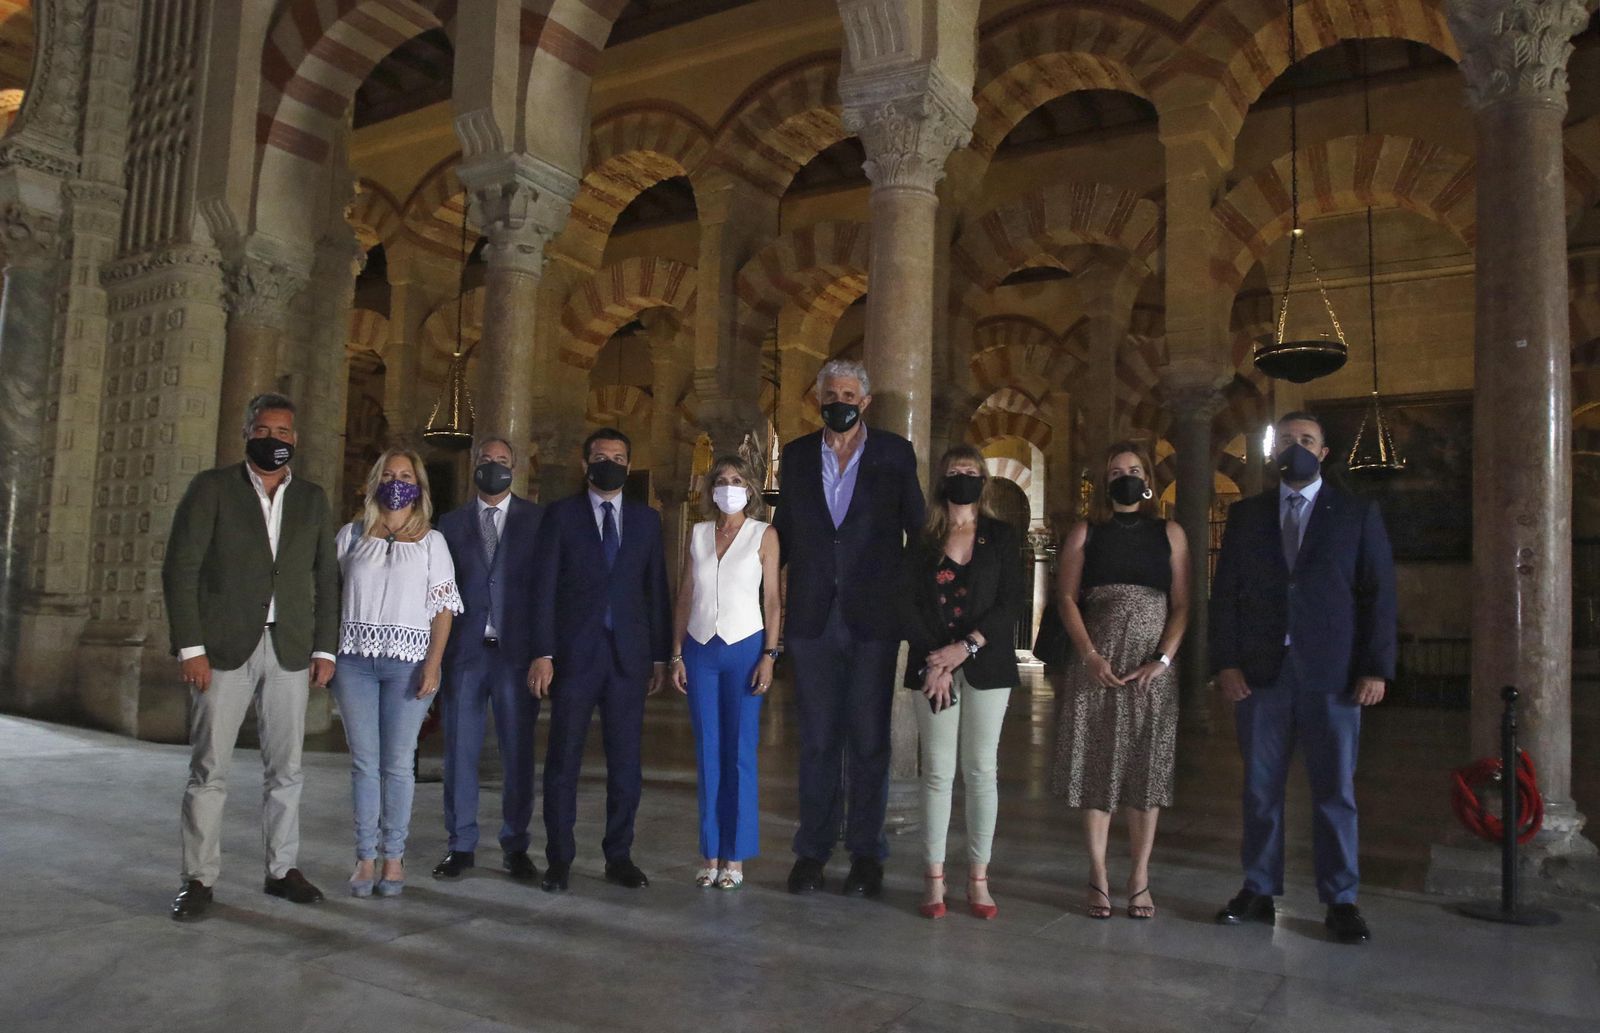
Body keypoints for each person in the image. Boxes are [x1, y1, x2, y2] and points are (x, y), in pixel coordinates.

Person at [1210, 412, 1396, 944]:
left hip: (1333, 673)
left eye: (1307, 440)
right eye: (1287, 441)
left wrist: (1375, 668)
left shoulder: (1356, 514)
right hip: (1262, 673)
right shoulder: (1247, 516)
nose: (1297, 448)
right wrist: (1226, 661)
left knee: (1334, 790)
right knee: (1260, 788)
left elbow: (1378, 595)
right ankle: (1259, 889)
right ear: (1273, 453)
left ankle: (1341, 899)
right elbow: (1225, 596)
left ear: (1325, 451)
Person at [162, 392, 339, 921]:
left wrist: (324, 646)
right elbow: (181, 569)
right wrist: (191, 646)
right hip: (221, 648)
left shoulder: (311, 498)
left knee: (286, 768)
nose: (275, 440)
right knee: (209, 767)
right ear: (247, 433)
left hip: (289, 648)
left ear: (296, 440)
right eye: (265, 430)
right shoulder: (212, 488)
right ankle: (198, 878)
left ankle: (282, 870)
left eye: (284, 433)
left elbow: (325, 577)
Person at [773, 358, 925, 898]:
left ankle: (866, 853)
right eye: (828, 392)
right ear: (818, 398)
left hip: (871, 619)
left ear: (864, 401)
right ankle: (812, 851)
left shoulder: (892, 453)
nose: (837, 400)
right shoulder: (794, 457)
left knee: (867, 740)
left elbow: (918, 533)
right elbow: (780, 539)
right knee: (816, 741)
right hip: (813, 618)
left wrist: (915, 610)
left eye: (847, 393)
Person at [1049, 442, 1190, 920]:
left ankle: (1140, 877)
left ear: (1146, 479)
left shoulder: (1169, 532)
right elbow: (1067, 597)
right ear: (1103, 482)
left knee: (1146, 769)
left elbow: (1184, 602)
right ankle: (1098, 876)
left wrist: (1162, 659)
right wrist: (1088, 653)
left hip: (1152, 668)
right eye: (1115, 471)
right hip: (1097, 664)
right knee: (1097, 764)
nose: (1124, 477)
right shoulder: (1088, 531)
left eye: (1133, 470)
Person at [528, 428, 671, 892]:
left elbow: (656, 591)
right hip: (573, 656)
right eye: (600, 456)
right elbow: (543, 588)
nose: (609, 462)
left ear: (629, 466)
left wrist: (659, 655)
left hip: (627, 658)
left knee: (626, 763)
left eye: (618, 456)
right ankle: (559, 859)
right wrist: (543, 652)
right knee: (563, 760)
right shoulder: (561, 516)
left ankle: (619, 855)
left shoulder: (648, 521)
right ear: (585, 462)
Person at [330, 448, 462, 897]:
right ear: (375, 482)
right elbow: (331, 594)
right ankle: (365, 857)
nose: (397, 482)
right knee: (364, 763)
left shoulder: (432, 541)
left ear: (419, 486)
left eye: (405, 475)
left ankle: (394, 857)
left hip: (409, 663)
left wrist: (434, 664)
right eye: (389, 475)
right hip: (353, 661)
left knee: (398, 765)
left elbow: (443, 608)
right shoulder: (351, 535)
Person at [899, 447, 1023, 920]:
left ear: (983, 482)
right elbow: (907, 604)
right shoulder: (925, 538)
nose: (963, 479)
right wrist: (938, 660)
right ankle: (933, 878)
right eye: (955, 473)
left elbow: (1011, 601)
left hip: (987, 664)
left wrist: (964, 648)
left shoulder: (1002, 536)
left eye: (971, 473)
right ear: (942, 483)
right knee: (937, 772)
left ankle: (978, 877)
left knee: (980, 770)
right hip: (933, 667)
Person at [432, 437, 545, 884]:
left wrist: (544, 651)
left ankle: (515, 845)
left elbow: (545, 590)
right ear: (472, 466)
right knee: (460, 750)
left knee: (517, 751)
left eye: (501, 461)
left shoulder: (537, 521)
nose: (493, 466)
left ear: (514, 468)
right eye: (485, 460)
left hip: (516, 654)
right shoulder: (450, 522)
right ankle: (460, 844)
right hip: (466, 652)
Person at [669, 455, 781, 890]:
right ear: (710, 488)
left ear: (750, 489)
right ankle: (710, 851)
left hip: (745, 646)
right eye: (721, 480)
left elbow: (772, 599)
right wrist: (676, 653)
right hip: (699, 648)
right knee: (708, 750)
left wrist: (770, 653)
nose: (728, 487)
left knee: (740, 752)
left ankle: (735, 855)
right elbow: (685, 594)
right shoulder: (697, 534)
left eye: (736, 480)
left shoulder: (763, 534)